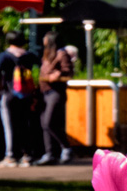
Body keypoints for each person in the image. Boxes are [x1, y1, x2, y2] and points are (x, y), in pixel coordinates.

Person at [0, 32, 38, 168]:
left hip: (9, 94)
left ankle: (11, 156)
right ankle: (27, 156)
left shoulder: (4, 56)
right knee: (25, 125)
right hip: (26, 95)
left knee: (9, 126)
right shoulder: (29, 56)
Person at [35, 32, 74, 166]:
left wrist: (58, 74)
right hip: (44, 92)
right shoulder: (47, 54)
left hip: (55, 92)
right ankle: (50, 153)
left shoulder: (61, 54)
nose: (43, 39)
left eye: (45, 37)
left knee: (49, 122)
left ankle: (66, 148)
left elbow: (68, 71)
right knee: (44, 123)